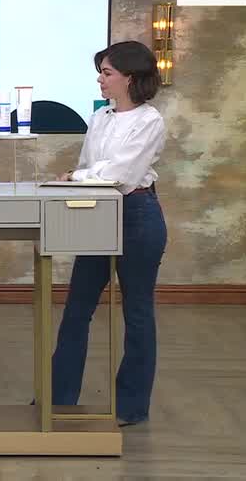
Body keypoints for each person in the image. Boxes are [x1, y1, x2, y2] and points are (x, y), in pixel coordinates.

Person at [51, 40, 167, 426]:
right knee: (76, 309)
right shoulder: (100, 117)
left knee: (137, 311)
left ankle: (131, 406)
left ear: (129, 78)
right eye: (100, 73)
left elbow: (119, 175)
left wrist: (77, 177)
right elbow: (91, 167)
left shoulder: (150, 120)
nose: (100, 81)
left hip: (137, 215)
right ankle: (59, 398)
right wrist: (82, 178)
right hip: (98, 213)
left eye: (107, 73)